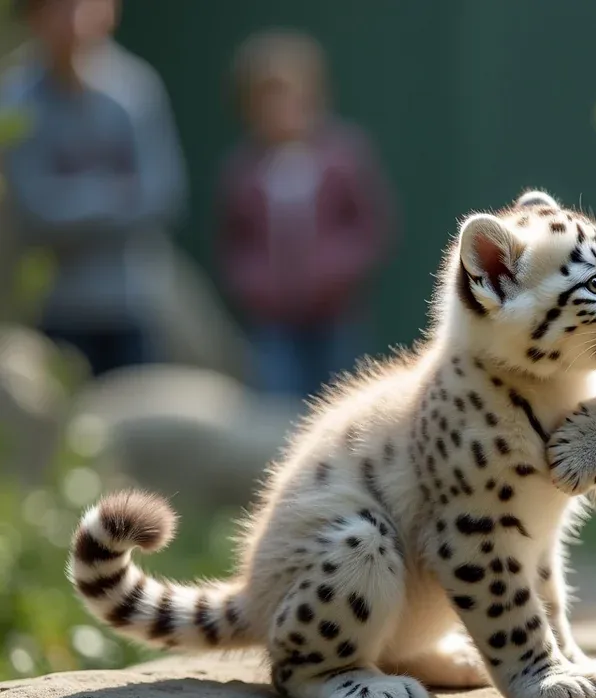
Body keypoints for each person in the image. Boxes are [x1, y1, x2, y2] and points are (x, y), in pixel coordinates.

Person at [1, 0, 187, 376]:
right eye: (57, 8)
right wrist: (114, 196)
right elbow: (35, 209)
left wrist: (74, 201)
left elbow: (162, 194)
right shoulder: (15, 99)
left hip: (132, 305)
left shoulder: (136, 90)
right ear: (33, 18)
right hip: (55, 310)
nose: (73, 19)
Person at [216, 29, 394, 400]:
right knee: (279, 410)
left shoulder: (344, 156)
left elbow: (370, 229)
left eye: (289, 95)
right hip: (274, 325)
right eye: (267, 99)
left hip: (337, 318)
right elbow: (234, 244)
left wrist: (333, 274)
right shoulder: (245, 170)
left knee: (344, 401)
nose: (280, 109)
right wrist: (261, 287)